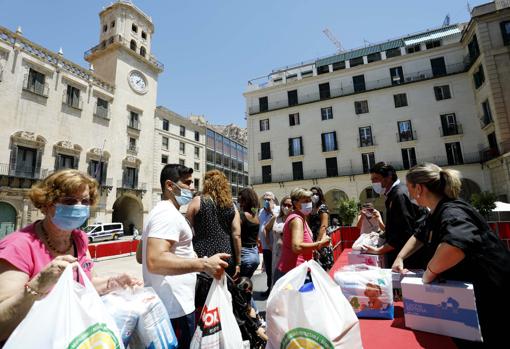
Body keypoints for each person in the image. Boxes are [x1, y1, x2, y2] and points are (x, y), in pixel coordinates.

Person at [0, 169, 141, 343]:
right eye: (69, 201)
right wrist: (37, 285)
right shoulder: (18, 246)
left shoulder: (79, 238)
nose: (79, 207)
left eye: (85, 201)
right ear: (45, 205)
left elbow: (86, 283)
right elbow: (2, 323)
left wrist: (113, 283)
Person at [393, 163, 510, 348]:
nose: (408, 194)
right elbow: (420, 235)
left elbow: (454, 247)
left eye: (409, 188)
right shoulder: (434, 212)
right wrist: (400, 257)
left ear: (419, 188)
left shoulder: (452, 211)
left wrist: (428, 274)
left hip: (492, 297)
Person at [141, 164, 230, 348]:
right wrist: (204, 264)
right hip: (175, 308)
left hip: (169, 305)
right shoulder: (167, 215)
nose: (192, 187)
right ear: (170, 186)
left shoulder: (157, 212)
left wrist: (186, 253)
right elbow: (154, 260)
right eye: (187, 183)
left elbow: (140, 256)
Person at [186, 170, 242, 309]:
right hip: (226, 255)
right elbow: (236, 235)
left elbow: (185, 229)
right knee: (224, 294)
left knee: (203, 298)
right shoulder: (231, 205)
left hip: (203, 254)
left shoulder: (197, 201)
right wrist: (238, 262)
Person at [364, 162, 427, 268]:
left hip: (408, 260)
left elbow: (404, 232)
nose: (373, 182)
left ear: (388, 177)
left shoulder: (398, 195)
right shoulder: (393, 193)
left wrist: (379, 250)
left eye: (376, 179)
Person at [274, 188, 331, 284]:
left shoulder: (300, 217)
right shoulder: (297, 220)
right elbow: (297, 247)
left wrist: (311, 250)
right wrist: (320, 244)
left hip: (298, 270)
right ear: (296, 203)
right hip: (293, 273)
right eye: (305, 201)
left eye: (310, 200)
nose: (309, 203)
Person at [263, 195, 292, 286]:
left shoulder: (294, 219)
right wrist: (268, 243)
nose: (286, 207)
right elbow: (266, 229)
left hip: (289, 255)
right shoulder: (276, 218)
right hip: (276, 254)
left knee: (287, 281)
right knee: (276, 279)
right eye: (284, 204)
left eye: (289, 205)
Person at [258, 191, 278, 298]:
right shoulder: (261, 211)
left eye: (269, 199)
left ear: (273, 200)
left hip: (275, 246)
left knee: (276, 269)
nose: (266, 201)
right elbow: (260, 226)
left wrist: (270, 211)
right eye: (265, 199)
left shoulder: (278, 210)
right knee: (268, 270)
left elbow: (277, 222)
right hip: (265, 246)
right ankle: (269, 288)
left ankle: (276, 289)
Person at [309, 186, 334, 270]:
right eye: (312, 194)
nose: (314, 196)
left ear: (320, 195)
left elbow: (324, 226)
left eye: (316, 194)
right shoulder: (310, 208)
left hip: (321, 239)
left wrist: (317, 243)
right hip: (313, 238)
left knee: (324, 266)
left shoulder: (322, 207)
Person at [237, 188, 260, 279]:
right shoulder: (255, 216)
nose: (239, 203)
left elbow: (236, 235)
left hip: (244, 255)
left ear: (245, 201)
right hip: (254, 255)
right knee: (246, 283)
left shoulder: (241, 216)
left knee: (238, 287)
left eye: (240, 200)